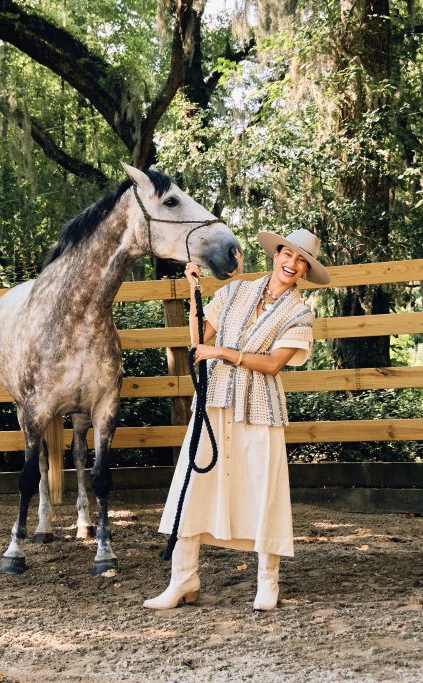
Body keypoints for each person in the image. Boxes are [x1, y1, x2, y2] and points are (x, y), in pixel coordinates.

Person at [144, 228, 330, 612]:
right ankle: (183, 579)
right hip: (214, 401)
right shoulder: (233, 292)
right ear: (276, 254)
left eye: (300, 261)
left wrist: (224, 353)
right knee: (194, 485)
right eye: (287, 255)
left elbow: (274, 365)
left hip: (260, 407)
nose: (291, 264)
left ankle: (267, 582)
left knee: (263, 489)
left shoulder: (299, 313)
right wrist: (194, 294)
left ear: (306, 270)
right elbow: (199, 341)